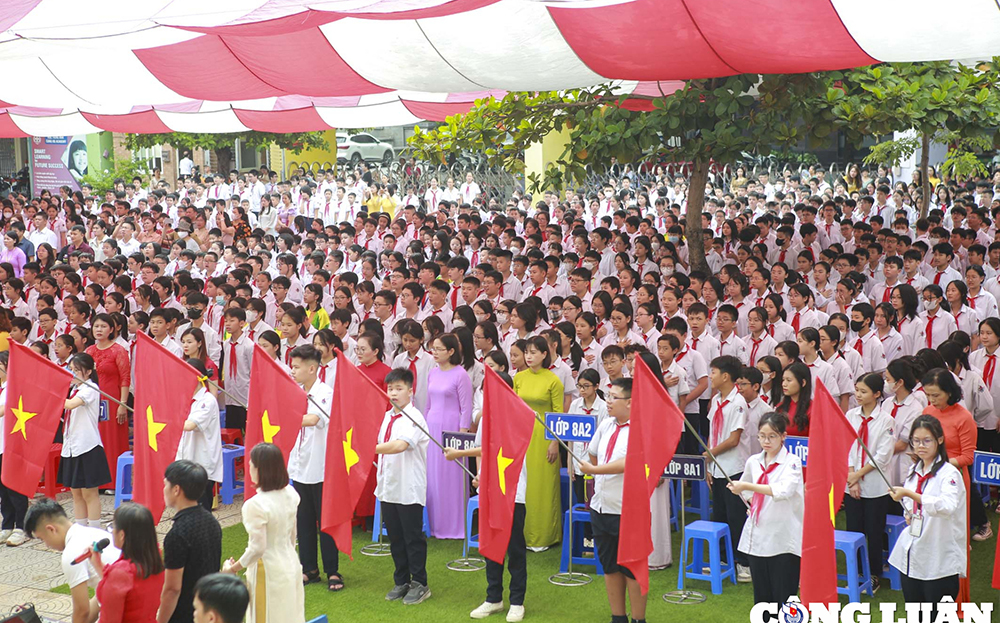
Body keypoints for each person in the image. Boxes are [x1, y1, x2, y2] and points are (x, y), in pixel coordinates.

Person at [445, 370, 527, 622]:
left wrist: (458, 454)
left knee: (514, 547)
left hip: (513, 491)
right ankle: (494, 598)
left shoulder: (520, 414)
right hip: (490, 491)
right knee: (491, 546)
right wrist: (481, 476)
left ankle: (517, 601)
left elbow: (498, 449)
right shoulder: (486, 418)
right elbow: (481, 451)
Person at [578, 379, 646, 623]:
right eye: (607, 396)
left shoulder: (639, 429)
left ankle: (639, 618)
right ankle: (618, 617)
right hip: (601, 505)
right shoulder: (606, 425)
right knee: (609, 565)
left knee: (632, 568)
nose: (607, 401)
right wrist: (596, 469)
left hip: (627, 510)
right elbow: (593, 453)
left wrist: (597, 471)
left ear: (629, 402)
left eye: (613, 397)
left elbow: (628, 462)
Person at [888, 414, 967, 621]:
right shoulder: (915, 470)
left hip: (939, 559)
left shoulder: (949, 474)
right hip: (913, 554)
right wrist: (908, 508)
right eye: (915, 441)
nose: (920, 446)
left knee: (937, 616)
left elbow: (946, 506)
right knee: (915, 615)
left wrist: (910, 495)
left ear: (940, 440)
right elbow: (910, 507)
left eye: (926, 441)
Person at [728, 412, 803, 609]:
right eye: (762, 436)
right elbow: (747, 491)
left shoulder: (792, 462)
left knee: (784, 595)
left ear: (783, 437)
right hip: (760, 535)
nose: (766, 441)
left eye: (772, 436)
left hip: (784, 537)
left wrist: (746, 487)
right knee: (762, 596)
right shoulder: (754, 461)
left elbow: (783, 490)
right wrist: (753, 503)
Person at [222, 443, 304, 623]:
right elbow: (292, 535)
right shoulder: (291, 493)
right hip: (291, 563)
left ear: (259, 469)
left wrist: (232, 569)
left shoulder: (255, 505)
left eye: (251, 464)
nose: (248, 467)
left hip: (267, 573)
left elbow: (258, 548)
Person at [919, 367, 977, 605]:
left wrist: (940, 463)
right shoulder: (928, 411)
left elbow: (968, 457)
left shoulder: (963, 417)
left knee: (954, 537)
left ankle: (958, 599)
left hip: (953, 480)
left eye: (936, 395)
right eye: (928, 395)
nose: (932, 401)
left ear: (950, 392)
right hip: (929, 477)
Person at [376, 368, 432, 605]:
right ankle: (402, 580)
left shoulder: (414, 417)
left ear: (411, 391)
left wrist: (369, 447)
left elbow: (400, 445)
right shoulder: (388, 416)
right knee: (395, 537)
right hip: (389, 485)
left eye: (399, 388)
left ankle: (420, 582)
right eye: (390, 388)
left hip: (409, 486)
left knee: (412, 537)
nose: (394, 393)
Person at [286, 345, 340, 592]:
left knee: (325, 521)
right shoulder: (295, 391)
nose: (293, 370)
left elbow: (313, 419)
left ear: (311, 368)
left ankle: (333, 570)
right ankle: (309, 568)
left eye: (296, 366)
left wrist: (282, 414)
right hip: (299, 465)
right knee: (304, 520)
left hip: (320, 466)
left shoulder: (324, 392)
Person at [25, 497, 122, 623]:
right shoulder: (94, 533)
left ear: (51, 529)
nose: (47, 545)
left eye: (42, 539)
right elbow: (100, 596)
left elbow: (82, 610)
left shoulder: (71, 553)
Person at [844, 372, 894, 594]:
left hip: (875, 487)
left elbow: (882, 456)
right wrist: (852, 477)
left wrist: (858, 475)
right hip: (851, 483)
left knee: (873, 532)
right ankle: (856, 573)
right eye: (856, 390)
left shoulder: (886, 421)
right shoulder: (851, 415)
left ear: (876, 394)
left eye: (863, 392)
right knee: (854, 530)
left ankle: (873, 574)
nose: (858, 395)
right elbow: (847, 447)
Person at [514, 335, 564, 550]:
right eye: (527, 352)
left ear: (545, 354)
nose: (529, 356)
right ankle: (522, 534)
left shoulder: (553, 380)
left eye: (534, 352)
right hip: (521, 435)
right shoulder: (518, 378)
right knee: (523, 485)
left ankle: (544, 536)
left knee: (542, 486)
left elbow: (559, 413)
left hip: (545, 435)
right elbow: (512, 408)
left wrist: (554, 442)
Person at [159, 460, 223, 623]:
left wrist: (161, 619)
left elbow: (172, 589)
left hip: (184, 613)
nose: (163, 489)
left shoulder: (177, 534)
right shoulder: (211, 521)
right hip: (207, 608)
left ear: (176, 490)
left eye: (165, 485)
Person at [706, 355, 751, 582]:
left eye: (713, 373)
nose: (710, 377)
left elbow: (734, 439)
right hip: (717, 468)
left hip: (734, 468)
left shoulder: (738, 403)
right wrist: (708, 462)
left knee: (736, 517)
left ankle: (743, 563)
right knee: (720, 515)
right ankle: (723, 559)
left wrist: (711, 453)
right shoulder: (716, 400)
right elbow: (712, 433)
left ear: (725, 376)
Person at [424, 333, 473, 539]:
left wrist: (461, 435)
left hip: (452, 428)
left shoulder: (460, 374)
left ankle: (455, 525)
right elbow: (428, 403)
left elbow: (466, 407)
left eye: (439, 349)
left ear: (451, 351)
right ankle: (434, 523)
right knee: (433, 475)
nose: (434, 353)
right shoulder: (433, 372)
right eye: (433, 349)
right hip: (432, 426)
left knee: (452, 476)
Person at [89, 502, 165, 623]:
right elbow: (128, 588)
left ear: (122, 535)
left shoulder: (121, 573)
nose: (112, 531)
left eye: (114, 527)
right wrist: (98, 565)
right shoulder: (154, 560)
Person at [60, 352, 112, 526]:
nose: (72, 373)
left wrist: (50, 391)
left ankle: (95, 530)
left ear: (89, 371)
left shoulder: (90, 389)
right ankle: (81, 528)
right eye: (71, 369)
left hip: (87, 446)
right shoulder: (74, 389)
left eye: (76, 370)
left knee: (90, 493)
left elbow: (70, 404)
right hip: (71, 446)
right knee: (76, 493)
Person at [85, 313, 130, 488]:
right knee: (95, 437)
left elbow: (125, 378)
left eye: (103, 326)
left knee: (112, 439)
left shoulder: (118, 350)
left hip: (112, 401)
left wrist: (122, 404)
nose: (99, 330)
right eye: (96, 326)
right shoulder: (89, 351)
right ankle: (97, 480)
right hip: (92, 400)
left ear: (111, 329)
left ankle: (114, 482)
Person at [177, 359, 224, 511]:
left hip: (202, 464)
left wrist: (167, 422)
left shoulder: (207, 400)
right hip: (186, 460)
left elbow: (190, 425)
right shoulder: (184, 398)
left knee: (202, 512)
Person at [0, 351, 29, 546]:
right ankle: (7, 524)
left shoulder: (15, 388)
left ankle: (22, 526)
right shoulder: (2, 387)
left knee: (15, 486)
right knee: (3, 487)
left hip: (12, 443)